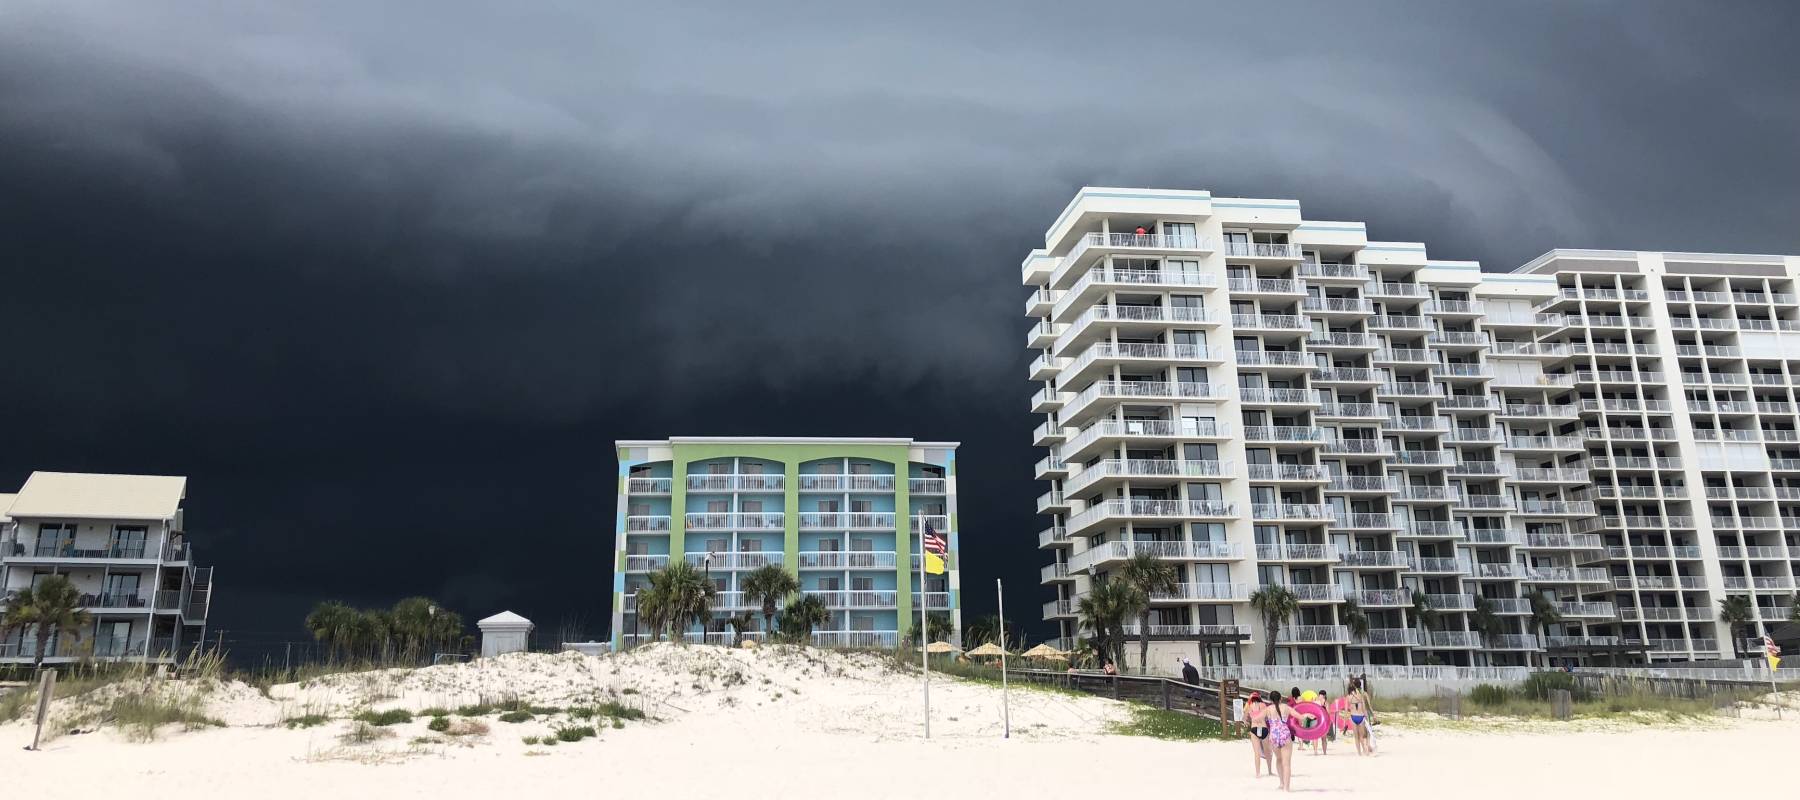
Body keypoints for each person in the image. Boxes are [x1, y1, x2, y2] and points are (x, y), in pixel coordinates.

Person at [1263, 692, 1296, 791]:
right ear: (1281, 698)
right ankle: (1286, 787)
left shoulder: (1268, 709)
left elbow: (1257, 718)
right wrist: (1308, 715)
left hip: (1274, 736)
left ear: (1271, 700)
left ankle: (1281, 783)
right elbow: (1299, 716)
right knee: (1286, 763)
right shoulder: (1286, 707)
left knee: (1279, 760)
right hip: (1284, 735)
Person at [1347, 676, 1375, 756]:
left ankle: (1360, 753)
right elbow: (1367, 707)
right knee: (1364, 735)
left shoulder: (1348, 697)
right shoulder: (1362, 694)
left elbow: (1347, 709)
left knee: (1357, 737)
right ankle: (1366, 749)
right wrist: (1369, 716)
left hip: (1353, 716)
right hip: (1362, 716)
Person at [1246, 691, 1271, 778]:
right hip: (1263, 728)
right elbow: (1267, 717)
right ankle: (1270, 770)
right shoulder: (1263, 705)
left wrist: (1247, 721)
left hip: (1254, 729)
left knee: (1257, 753)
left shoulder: (1249, 706)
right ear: (1259, 698)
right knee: (1267, 751)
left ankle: (1258, 773)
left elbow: (1245, 718)